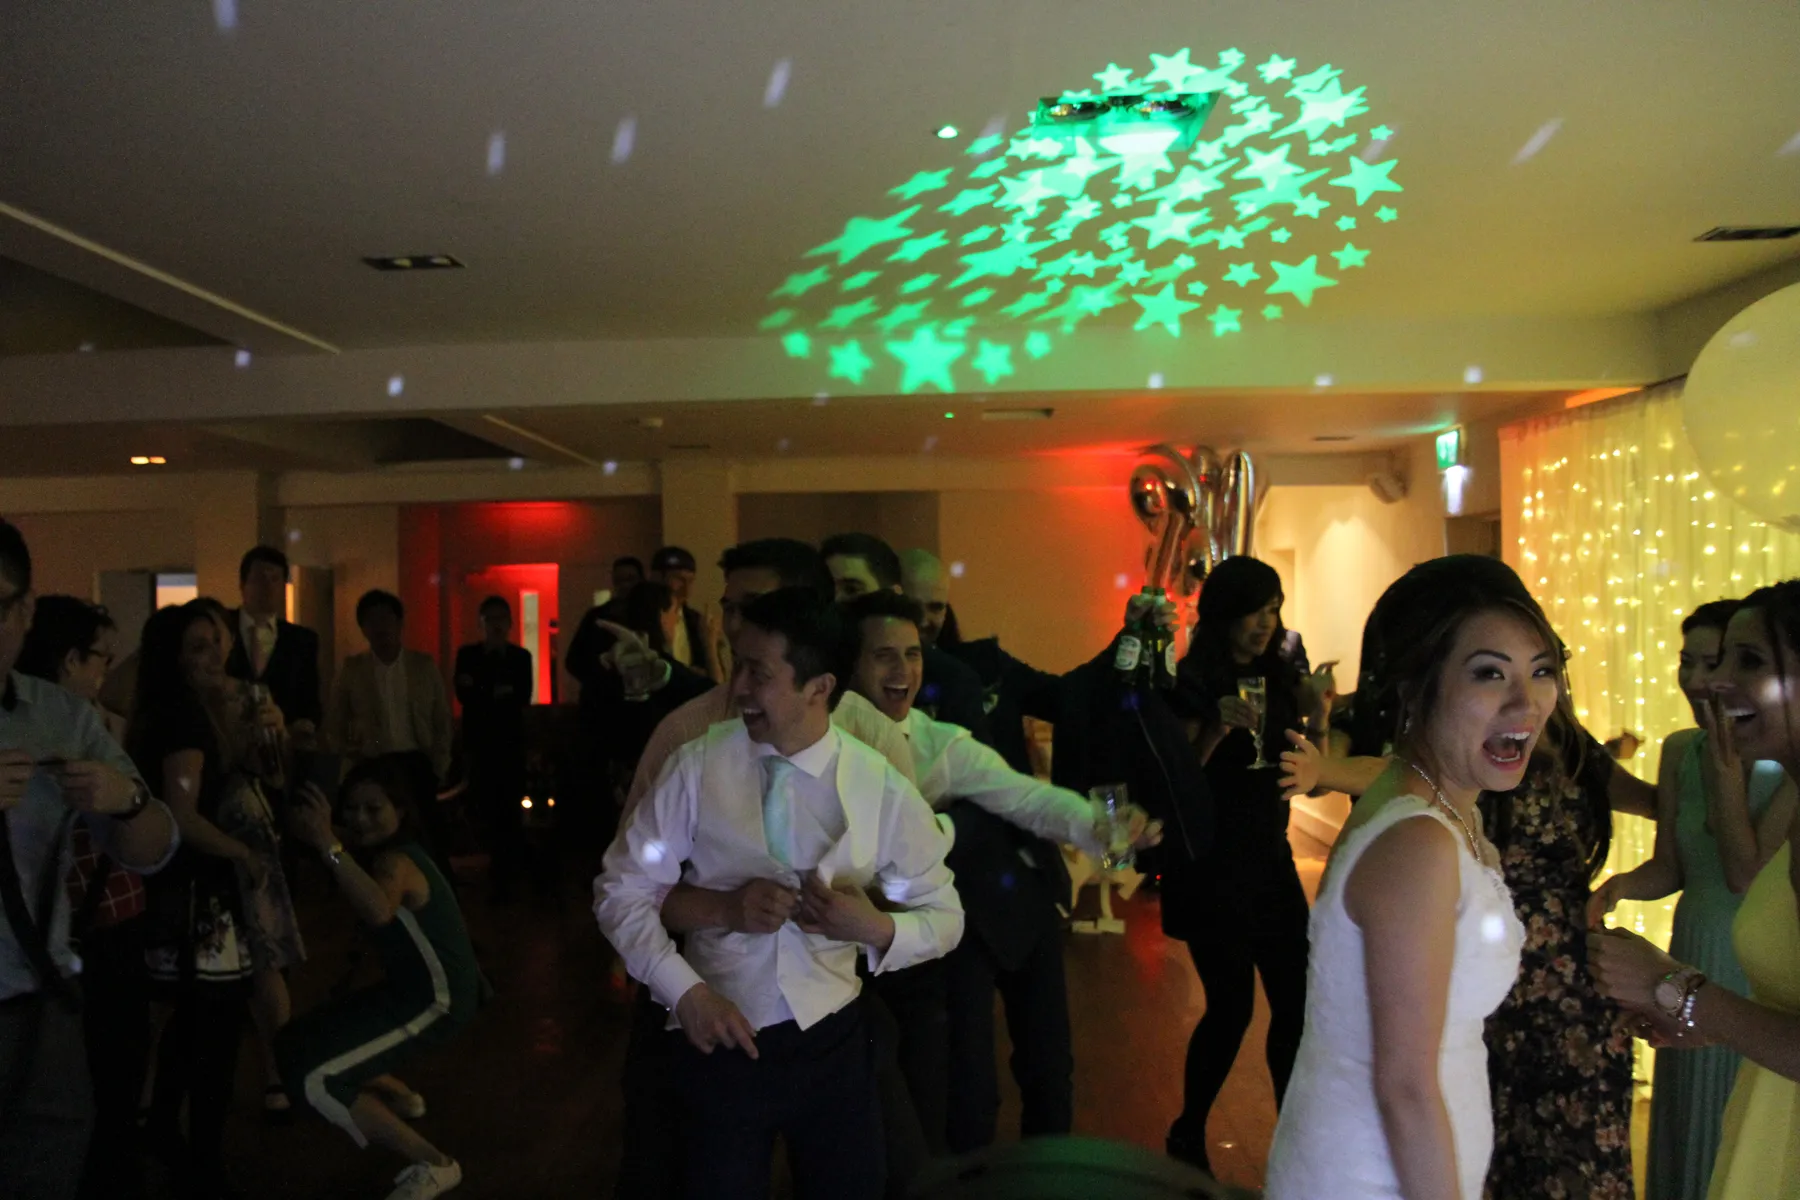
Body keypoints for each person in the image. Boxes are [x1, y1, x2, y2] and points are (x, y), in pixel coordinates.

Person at [595, 587, 964, 1200]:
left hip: (836, 1046)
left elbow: (946, 917)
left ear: (819, 686)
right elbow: (621, 890)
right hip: (717, 1037)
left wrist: (873, 928)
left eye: (757, 673)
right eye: (737, 664)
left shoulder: (879, 786)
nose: (736, 687)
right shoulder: (694, 766)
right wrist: (684, 995)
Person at [1265, 555, 1555, 1200]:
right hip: (1371, 1175)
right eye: (1489, 674)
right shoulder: (1419, 842)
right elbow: (1404, 1086)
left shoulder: (1436, 804)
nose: (1525, 701)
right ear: (1415, 687)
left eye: (1541, 672)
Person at [841, 590, 1156, 1153]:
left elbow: (1026, 798)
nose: (903, 671)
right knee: (931, 1095)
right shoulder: (824, 737)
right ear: (850, 663)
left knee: (1027, 1068)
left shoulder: (938, 741)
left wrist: (1105, 826)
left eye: (912, 655)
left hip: (977, 916)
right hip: (862, 952)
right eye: (883, 656)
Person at [1590, 579, 1800, 1200]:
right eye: (1710, 661)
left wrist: (1675, 988)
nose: (1711, 682)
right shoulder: (1689, 752)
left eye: (1750, 661)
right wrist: (1708, 1021)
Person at [0, 521, 180, 1200]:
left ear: (22, 612)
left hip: (40, 1005)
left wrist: (126, 799)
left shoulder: (57, 715)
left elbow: (156, 846)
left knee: (47, 1163)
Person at [1157, 556, 1331, 1173]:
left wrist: (1319, 714)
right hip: (1210, 867)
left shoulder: (1280, 675)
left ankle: (1294, 1139)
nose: (1267, 622)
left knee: (1296, 1004)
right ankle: (1188, 1129)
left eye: (1275, 608)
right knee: (1231, 1007)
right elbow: (1173, 783)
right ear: (1223, 613)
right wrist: (1212, 733)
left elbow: (1306, 773)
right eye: (1255, 609)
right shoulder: (1191, 682)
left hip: (1270, 858)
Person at [130, 599, 303, 1190]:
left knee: (194, 1020)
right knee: (213, 1029)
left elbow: (271, 774)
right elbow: (184, 812)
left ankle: (168, 1132)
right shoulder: (182, 717)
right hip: (198, 891)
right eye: (196, 647)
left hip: (193, 887)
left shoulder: (203, 708)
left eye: (216, 641)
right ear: (174, 658)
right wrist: (241, 852)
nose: (212, 656)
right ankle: (200, 1155)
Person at [277, 758, 482, 1200]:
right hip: (410, 991)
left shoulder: (395, 862)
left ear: (400, 811)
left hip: (437, 1000)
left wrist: (328, 842)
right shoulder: (388, 853)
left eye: (373, 808)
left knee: (314, 1078)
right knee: (295, 1041)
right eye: (351, 809)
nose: (360, 818)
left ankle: (435, 1163)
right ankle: (400, 1097)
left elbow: (378, 910)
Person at [17, 596, 154, 1200]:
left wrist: (128, 797)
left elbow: (150, 825)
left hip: (95, 925)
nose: (106, 668)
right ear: (69, 660)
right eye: (100, 656)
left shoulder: (83, 723)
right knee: (97, 1081)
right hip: (83, 931)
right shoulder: (58, 733)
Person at [902, 548, 1062, 777]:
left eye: (936, 607)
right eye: (911, 607)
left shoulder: (987, 664)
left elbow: (1062, 696)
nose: (924, 620)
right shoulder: (873, 682)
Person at [821, 534, 989, 740]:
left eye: (852, 589)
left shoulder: (949, 679)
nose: (835, 602)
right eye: (826, 591)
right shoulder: (804, 665)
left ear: (892, 594)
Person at [326, 590, 455, 844]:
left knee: (427, 835)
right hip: (374, 761)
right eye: (372, 621)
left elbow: (442, 720)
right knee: (379, 836)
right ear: (363, 628)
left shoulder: (422, 666)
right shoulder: (352, 670)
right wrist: (349, 757)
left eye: (386, 619)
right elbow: (334, 721)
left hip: (417, 760)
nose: (380, 627)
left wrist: (440, 764)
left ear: (399, 623)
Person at [453, 597, 533, 900]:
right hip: (480, 742)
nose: (496, 624)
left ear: (510, 623)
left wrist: (482, 689)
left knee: (510, 805)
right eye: (490, 618)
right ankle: (493, 867)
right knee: (483, 803)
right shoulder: (468, 655)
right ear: (481, 623)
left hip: (510, 742)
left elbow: (521, 694)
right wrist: (495, 691)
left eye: (501, 618)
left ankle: (507, 871)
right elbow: (464, 693)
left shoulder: (520, 657)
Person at [226, 545, 323, 739]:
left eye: (275, 580)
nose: (269, 587)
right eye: (260, 579)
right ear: (243, 584)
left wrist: (301, 727)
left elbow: (310, 703)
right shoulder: (221, 627)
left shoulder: (302, 640)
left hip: (282, 750)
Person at [648, 547, 715, 679]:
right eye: (679, 579)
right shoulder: (641, 618)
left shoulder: (696, 621)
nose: (686, 589)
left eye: (690, 581)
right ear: (656, 577)